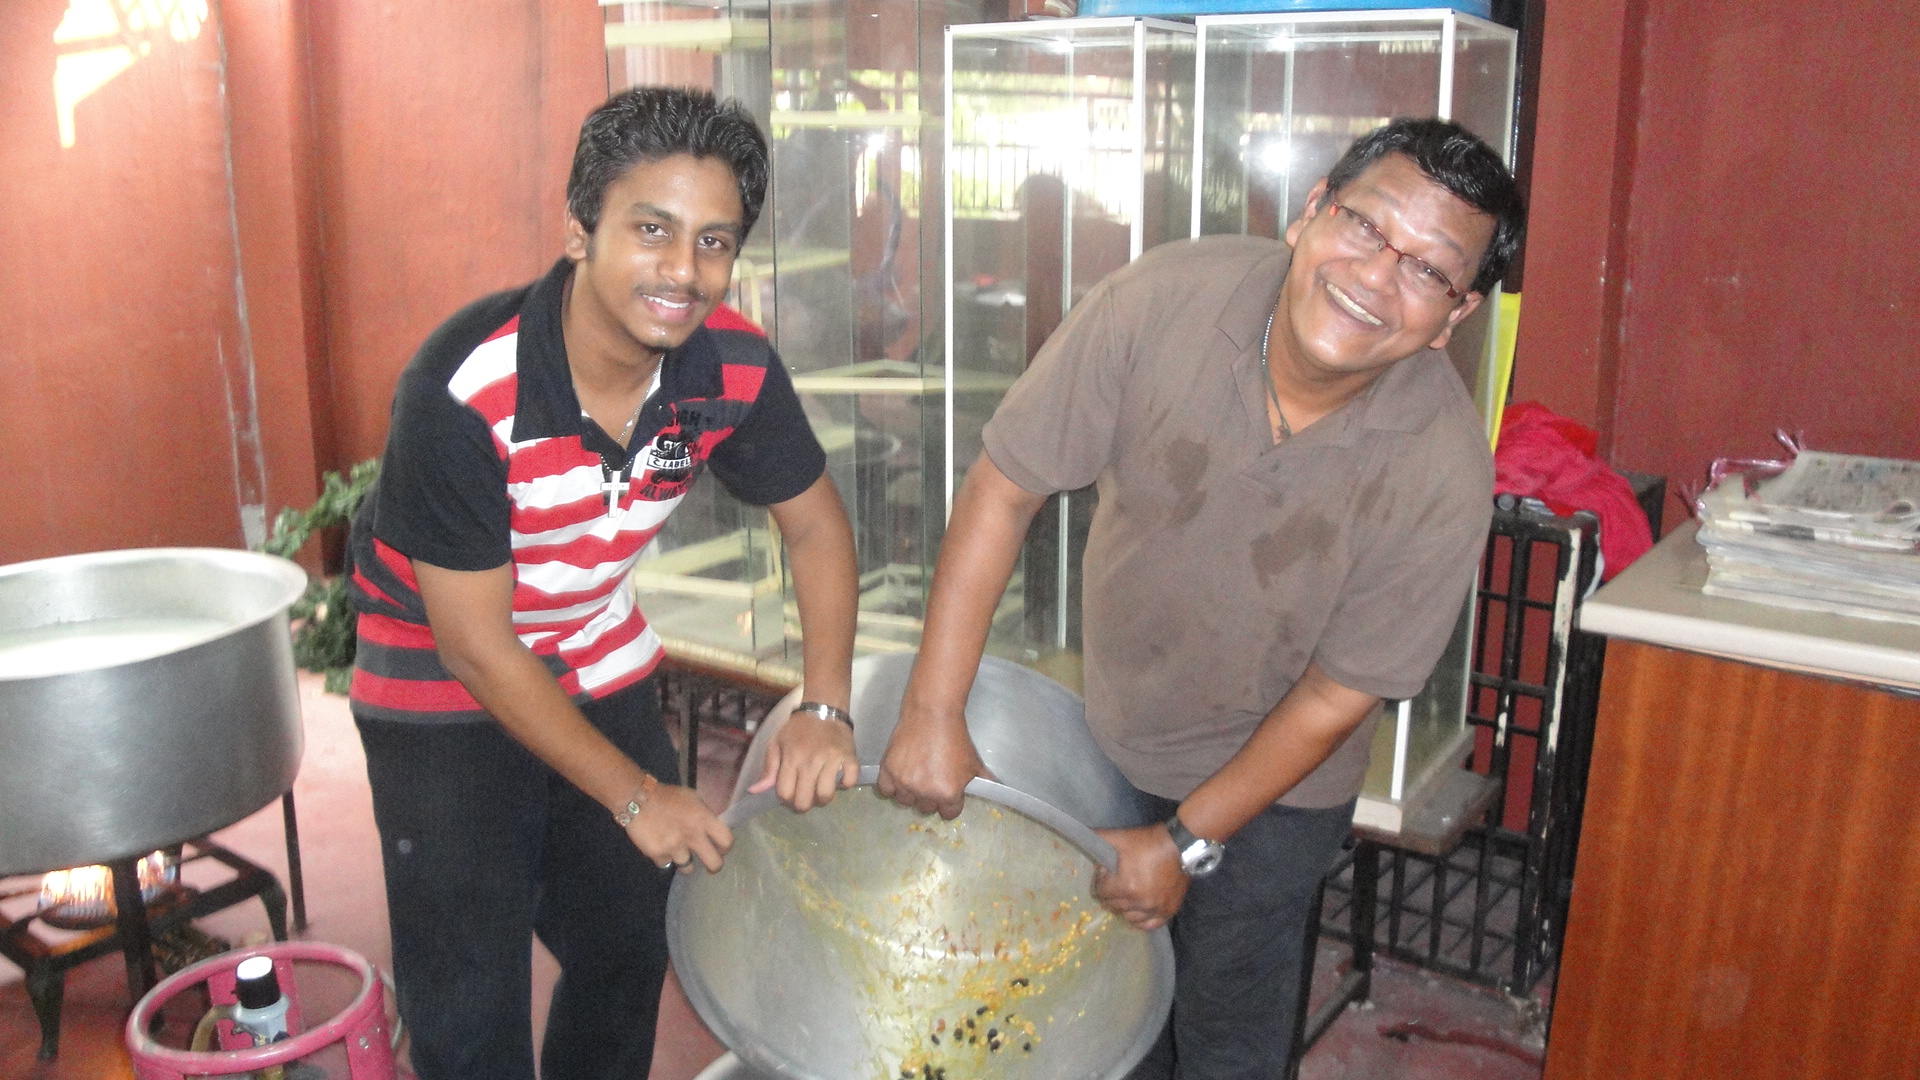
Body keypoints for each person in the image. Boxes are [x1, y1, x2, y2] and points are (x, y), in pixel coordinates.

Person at [878, 118, 1524, 1078]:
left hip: (1280, 792)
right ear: (1313, 210)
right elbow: (1004, 487)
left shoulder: (1442, 469)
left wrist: (1185, 842)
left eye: (1428, 269)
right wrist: (932, 711)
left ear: (1455, 313)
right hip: (1113, 730)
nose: (1376, 276)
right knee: (1103, 1013)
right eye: (1365, 225)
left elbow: (1338, 694)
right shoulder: (1160, 302)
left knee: (1227, 1033)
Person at [344, 87, 861, 1080]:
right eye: (652, 230)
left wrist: (825, 706)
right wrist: (635, 797)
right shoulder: (464, 389)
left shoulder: (733, 368)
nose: (684, 272)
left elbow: (816, 525)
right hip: (438, 670)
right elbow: (476, 647)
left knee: (630, 939)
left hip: (590, 640)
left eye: (714, 242)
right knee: (469, 1002)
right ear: (579, 230)